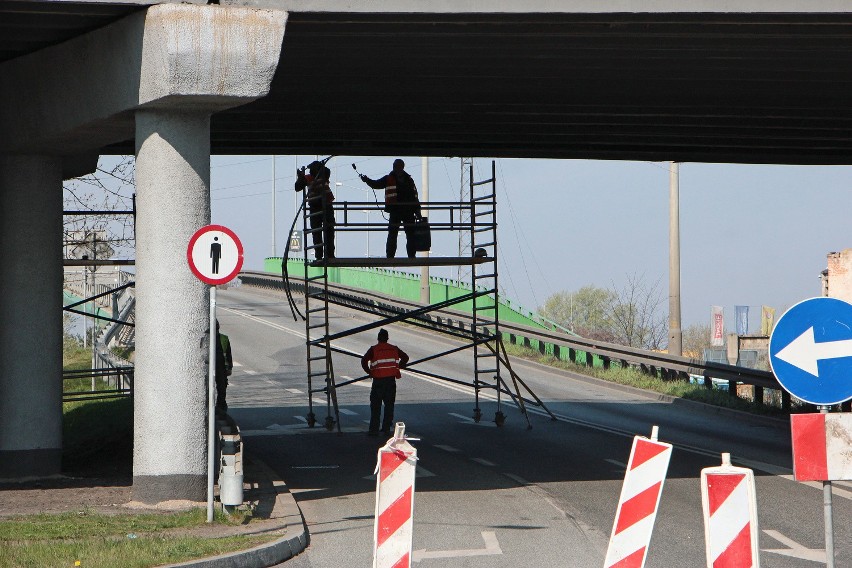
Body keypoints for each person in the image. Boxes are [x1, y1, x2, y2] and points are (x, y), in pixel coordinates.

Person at [359, 158, 422, 258]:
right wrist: (367, 180)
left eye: (396, 166)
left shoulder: (400, 179)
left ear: (401, 167)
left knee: (403, 234)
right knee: (399, 234)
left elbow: (414, 196)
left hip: (401, 211)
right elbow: (376, 184)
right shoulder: (406, 179)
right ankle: (396, 256)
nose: (394, 168)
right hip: (400, 211)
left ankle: (401, 256)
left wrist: (418, 211)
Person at [361, 328, 409, 435]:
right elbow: (405, 357)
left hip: (378, 382)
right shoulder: (394, 349)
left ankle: (374, 430)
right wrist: (399, 366)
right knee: (389, 406)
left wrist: (369, 372)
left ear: (378, 338)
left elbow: (364, 361)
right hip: (390, 382)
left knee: (376, 407)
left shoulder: (374, 349)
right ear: (387, 339)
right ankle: (386, 428)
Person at [295, 160, 335, 259]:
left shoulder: (324, 175)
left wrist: (301, 176)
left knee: (327, 230)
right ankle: (321, 254)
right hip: (317, 206)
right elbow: (297, 187)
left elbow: (327, 171)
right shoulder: (309, 178)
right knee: (319, 232)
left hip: (325, 206)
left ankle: (328, 254)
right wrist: (300, 177)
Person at [215, 320, 233, 413]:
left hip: (220, 367)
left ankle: (221, 407)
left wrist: (229, 367)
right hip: (217, 367)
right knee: (221, 388)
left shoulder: (223, 339)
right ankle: (220, 406)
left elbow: (228, 354)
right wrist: (229, 368)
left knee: (221, 388)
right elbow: (229, 355)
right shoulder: (223, 338)